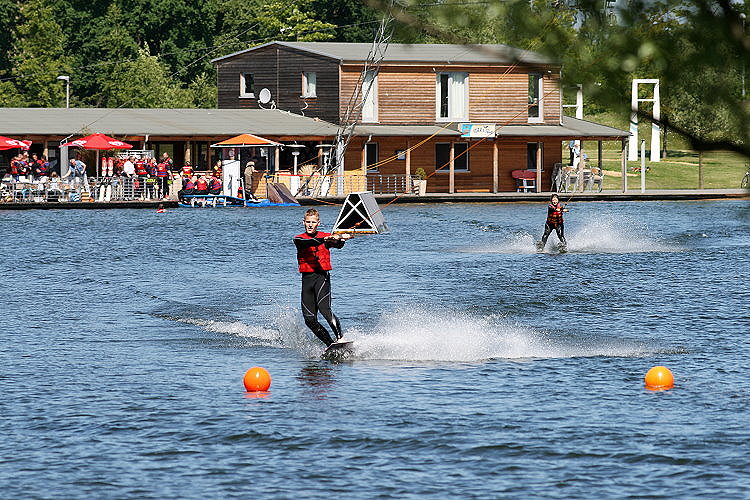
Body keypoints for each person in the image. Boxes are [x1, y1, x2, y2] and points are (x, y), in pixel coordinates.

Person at [293, 208, 352, 347]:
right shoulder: (298, 239)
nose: (310, 225)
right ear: (303, 222)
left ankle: (340, 338)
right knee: (309, 320)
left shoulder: (327, 237)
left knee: (324, 309)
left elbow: (338, 245)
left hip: (321, 278)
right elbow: (308, 243)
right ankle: (330, 344)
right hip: (306, 281)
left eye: (313, 222)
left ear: (318, 223)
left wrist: (341, 238)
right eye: (308, 222)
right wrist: (325, 239)